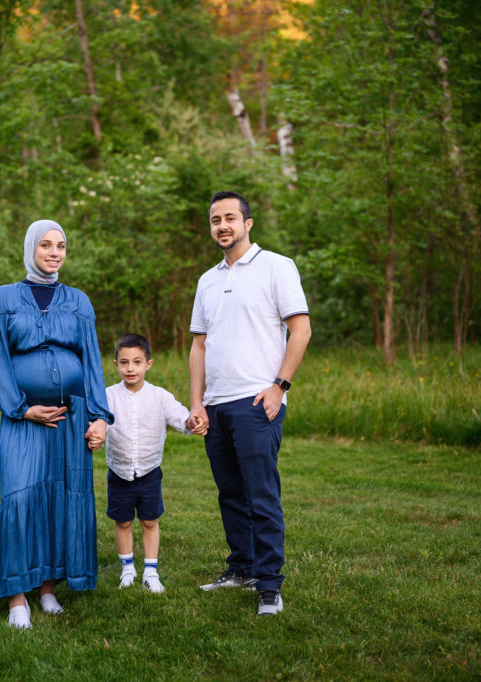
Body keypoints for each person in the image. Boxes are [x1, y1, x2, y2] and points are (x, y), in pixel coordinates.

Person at [0, 219, 113, 629]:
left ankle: (48, 587)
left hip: (71, 420)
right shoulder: (3, 300)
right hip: (25, 420)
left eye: (61, 246)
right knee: (19, 497)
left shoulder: (78, 301)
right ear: (30, 249)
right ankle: (17, 596)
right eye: (46, 245)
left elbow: (91, 361)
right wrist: (19, 408)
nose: (54, 252)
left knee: (62, 499)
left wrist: (100, 417)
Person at [186, 191, 311, 616]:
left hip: (258, 401)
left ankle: (270, 586)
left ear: (248, 223)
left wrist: (280, 386)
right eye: (215, 219)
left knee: (261, 494)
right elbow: (199, 347)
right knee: (231, 494)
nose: (222, 226)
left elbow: (301, 330)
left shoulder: (276, 266)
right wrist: (197, 403)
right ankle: (241, 568)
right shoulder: (206, 279)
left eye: (230, 218)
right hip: (216, 406)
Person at [102, 334, 200, 594]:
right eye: (124, 363)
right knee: (123, 522)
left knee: (149, 521)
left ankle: (150, 571)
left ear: (149, 364)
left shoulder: (160, 396)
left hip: (149, 472)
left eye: (136, 362)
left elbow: (182, 417)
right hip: (119, 471)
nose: (130, 368)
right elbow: (97, 424)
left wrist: (191, 422)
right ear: (116, 365)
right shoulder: (108, 396)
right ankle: (127, 569)